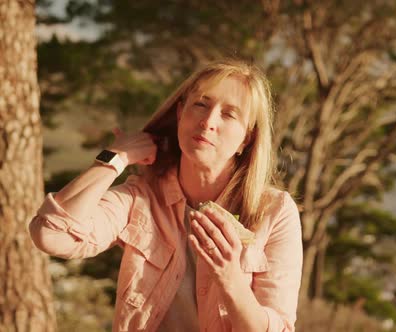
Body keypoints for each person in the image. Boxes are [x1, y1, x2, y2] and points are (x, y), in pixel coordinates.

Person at [29, 59, 303, 332]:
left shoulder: (275, 212)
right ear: (181, 113)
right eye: (201, 104)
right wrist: (115, 158)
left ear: (247, 138)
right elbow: (51, 234)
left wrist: (230, 276)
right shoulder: (140, 198)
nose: (208, 121)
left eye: (229, 114)